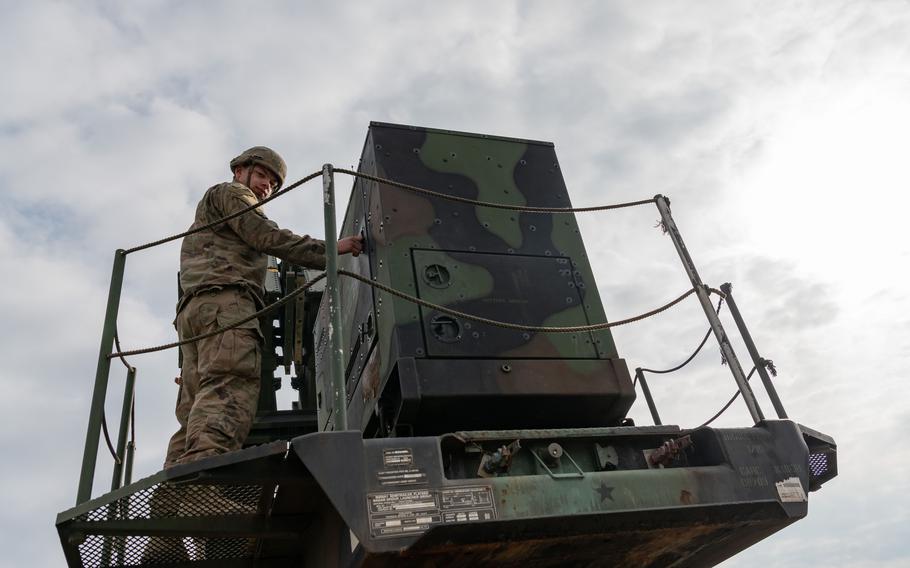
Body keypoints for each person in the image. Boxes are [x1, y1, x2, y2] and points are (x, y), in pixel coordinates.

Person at [164, 146, 363, 468]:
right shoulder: (231, 193)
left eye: (272, 184)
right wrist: (330, 249)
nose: (265, 186)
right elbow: (266, 236)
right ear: (240, 171)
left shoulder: (214, 209)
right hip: (227, 304)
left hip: (195, 311)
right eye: (261, 176)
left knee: (194, 405)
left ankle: (175, 493)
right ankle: (203, 481)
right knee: (229, 385)